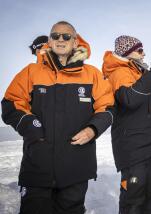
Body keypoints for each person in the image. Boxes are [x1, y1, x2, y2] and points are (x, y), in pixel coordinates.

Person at [1, 21, 114, 214]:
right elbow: (11, 103)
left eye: (66, 36)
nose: (60, 39)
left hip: (76, 167)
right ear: (50, 41)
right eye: (55, 36)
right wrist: (31, 125)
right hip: (37, 165)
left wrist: (92, 129)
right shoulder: (31, 71)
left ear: (75, 41)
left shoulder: (92, 74)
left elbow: (108, 107)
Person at [102, 35, 151, 213]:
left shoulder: (140, 73)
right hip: (132, 147)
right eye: (140, 50)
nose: (143, 54)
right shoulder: (119, 72)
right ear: (128, 52)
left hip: (149, 145)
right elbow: (129, 99)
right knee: (134, 199)